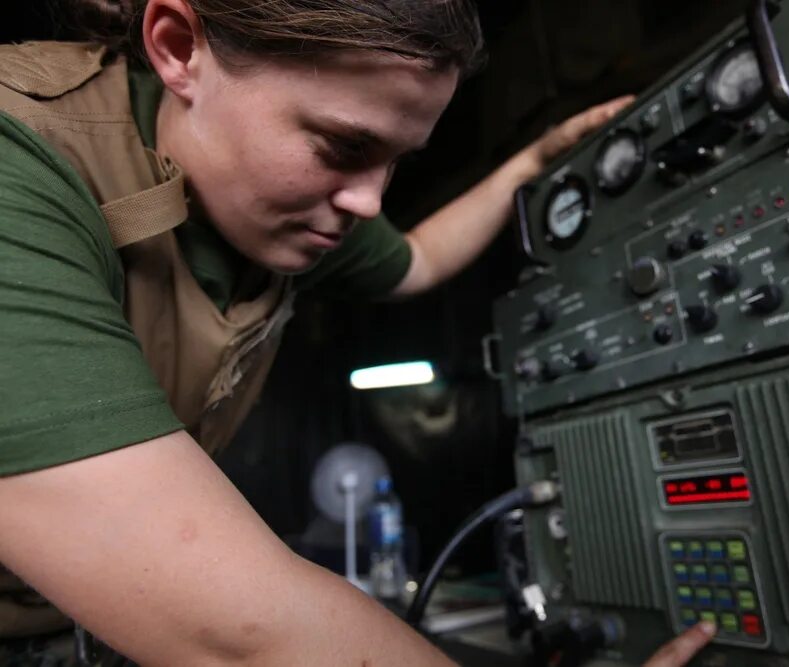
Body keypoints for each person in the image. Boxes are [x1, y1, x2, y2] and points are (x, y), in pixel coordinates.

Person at [0, 0, 714, 663]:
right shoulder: (19, 167)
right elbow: (239, 632)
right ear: (180, 48)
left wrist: (529, 164)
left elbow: (420, 259)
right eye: (343, 146)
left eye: (396, 162)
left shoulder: (287, 204)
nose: (368, 203)